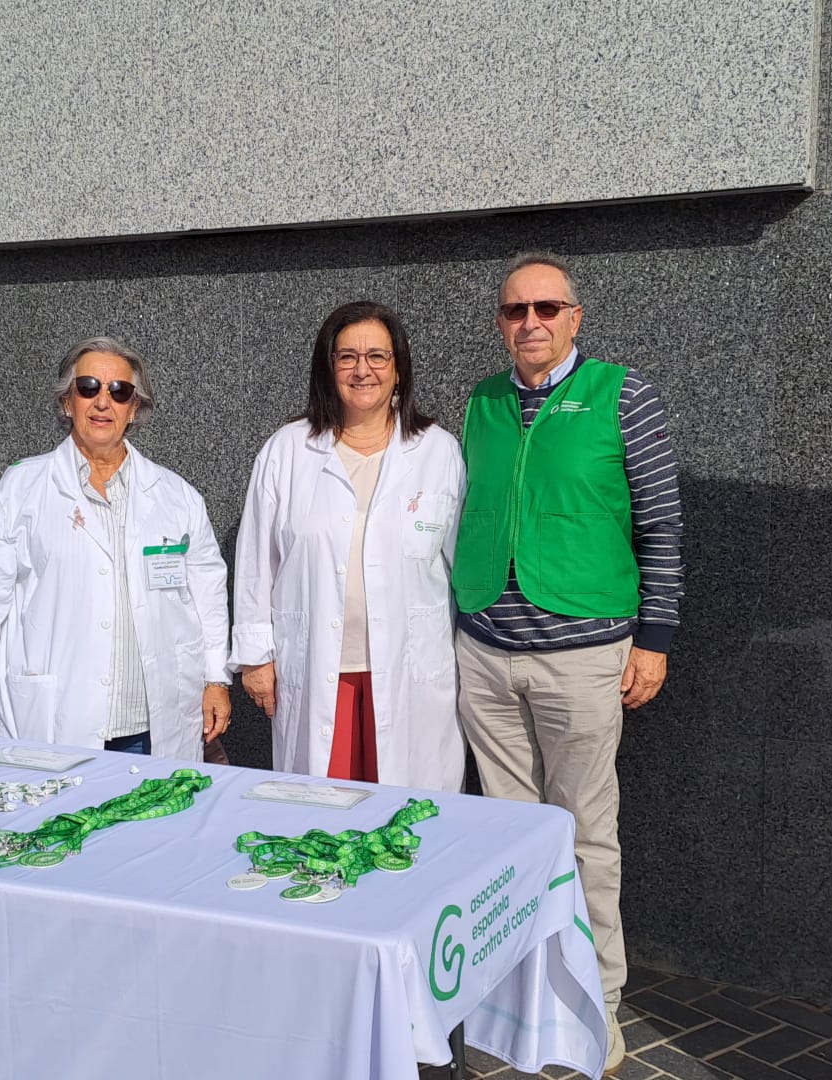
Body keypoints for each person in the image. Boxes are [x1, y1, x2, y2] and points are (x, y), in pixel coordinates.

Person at [452, 253, 684, 1072]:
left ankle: (597, 1008)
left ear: (575, 318)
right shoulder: (480, 402)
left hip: (583, 656)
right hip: (483, 653)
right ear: (500, 323)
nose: (531, 322)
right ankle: (519, 1008)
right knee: (510, 841)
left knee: (585, 837)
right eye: (515, 310)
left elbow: (661, 526)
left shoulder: (624, 395)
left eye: (546, 307)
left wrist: (654, 637)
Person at [0, 337, 232, 758]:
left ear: (135, 408)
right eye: (88, 387)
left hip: (156, 724)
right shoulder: (20, 490)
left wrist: (216, 678)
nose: (103, 402)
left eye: (119, 391)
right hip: (57, 720)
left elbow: (207, 595)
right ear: (67, 402)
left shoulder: (177, 496)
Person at [232, 301, 466, 790]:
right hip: (320, 669)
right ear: (328, 367)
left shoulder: (437, 450)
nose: (363, 370)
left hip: (410, 669)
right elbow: (256, 562)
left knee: (409, 818)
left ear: (398, 369)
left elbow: (459, 562)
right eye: (347, 357)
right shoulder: (288, 450)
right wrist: (255, 657)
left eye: (378, 356)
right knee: (326, 816)